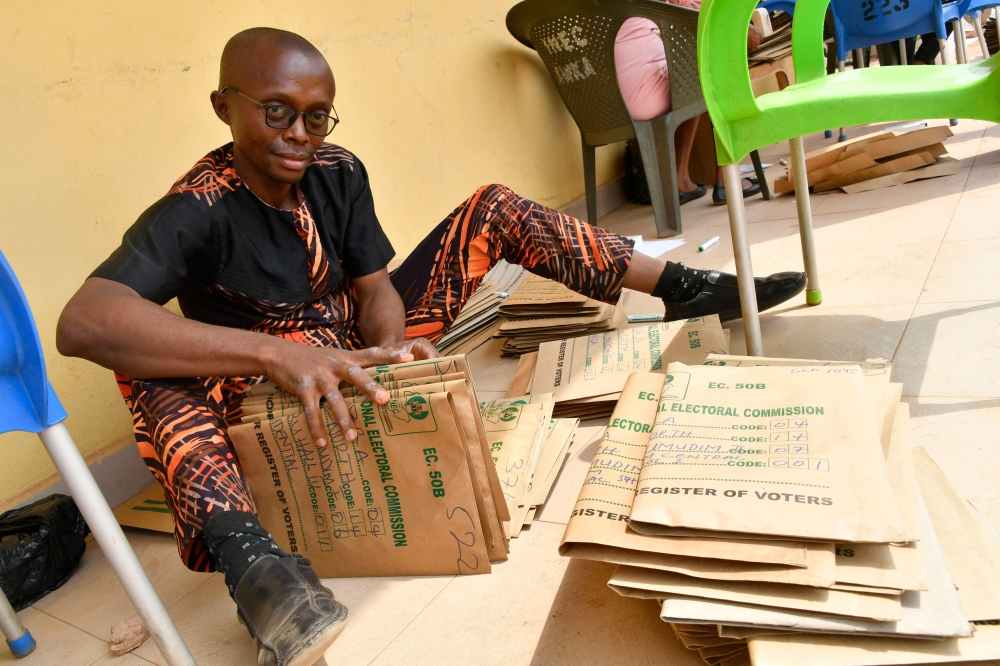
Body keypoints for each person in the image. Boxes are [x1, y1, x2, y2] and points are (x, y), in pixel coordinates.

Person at [55, 27, 805, 666]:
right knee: (141, 363)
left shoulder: (335, 171)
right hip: (273, 393)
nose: (299, 135)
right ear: (225, 107)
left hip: (355, 361)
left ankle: (677, 284)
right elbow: (83, 321)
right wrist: (276, 355)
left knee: (494, 208)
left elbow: (375, 287)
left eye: (317, 117)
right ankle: (258, 575)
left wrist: (387, 348)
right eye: (277, 111)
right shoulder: (197, 209)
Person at [614, 2, 763, 204]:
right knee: (714, 62)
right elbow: (689, 11)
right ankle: (726, 181)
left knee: (685, 73)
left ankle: (681, 179)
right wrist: (741, 27)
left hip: (602, 106)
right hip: (643, 96)